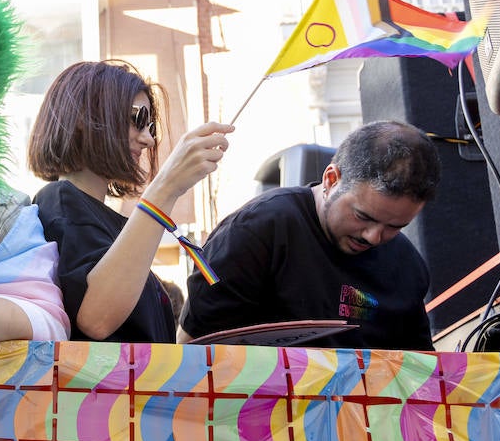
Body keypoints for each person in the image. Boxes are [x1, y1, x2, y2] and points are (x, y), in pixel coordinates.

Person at [180, 119, 440, 350]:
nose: (373, 237)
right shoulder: (255, 231)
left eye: (395, 227)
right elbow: (191, 348)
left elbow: (419, 373)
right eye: (363, 216)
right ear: (331, 179)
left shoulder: (408, 265)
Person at [27, 60, 233, 342]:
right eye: (137, 119)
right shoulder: (59, 200)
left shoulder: (88, 212)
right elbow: (97, 319)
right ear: (83, 117)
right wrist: (166, 188)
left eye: (150, 126)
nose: (148, 139)